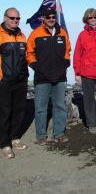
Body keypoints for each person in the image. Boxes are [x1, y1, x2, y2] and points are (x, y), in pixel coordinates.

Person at [27, 8, 71, 145]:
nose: (51, 19)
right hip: (42, 77)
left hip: (59, 76)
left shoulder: (62, 33)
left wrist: (66, 61)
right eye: (48, 17)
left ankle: (59, 134)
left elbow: (68, 50)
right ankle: (41, 136)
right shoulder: (35, 34)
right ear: (43, 19)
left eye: (53, 16)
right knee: (41, 107)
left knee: (59, 106)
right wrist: (35, 66)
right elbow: (29, 53)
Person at [0, 8, 29, 159]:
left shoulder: (22, 36)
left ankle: (15, 137)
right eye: (12, 18)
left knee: (19, 110)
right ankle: (5, 144)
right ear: (5, 18)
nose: (15, 20)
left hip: (20, 80)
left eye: (18, 18)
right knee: (4, 112)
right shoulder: (0, 35)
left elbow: (26, 57)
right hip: (4, 82)